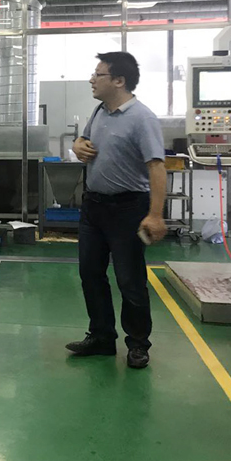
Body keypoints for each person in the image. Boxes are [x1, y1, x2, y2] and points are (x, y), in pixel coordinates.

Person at [66, 51, 166, 370]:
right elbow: (84, 140)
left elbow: (157, 167)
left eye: (98, 75)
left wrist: (155, 214)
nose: (92, 80)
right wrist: (77, 145)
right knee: (90, 274)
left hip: (128, 208)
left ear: (119, 81)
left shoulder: (142, 118)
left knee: (129, 280)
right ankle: (101, 337)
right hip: (94, 207)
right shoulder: (100, 111)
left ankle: (137, 344)